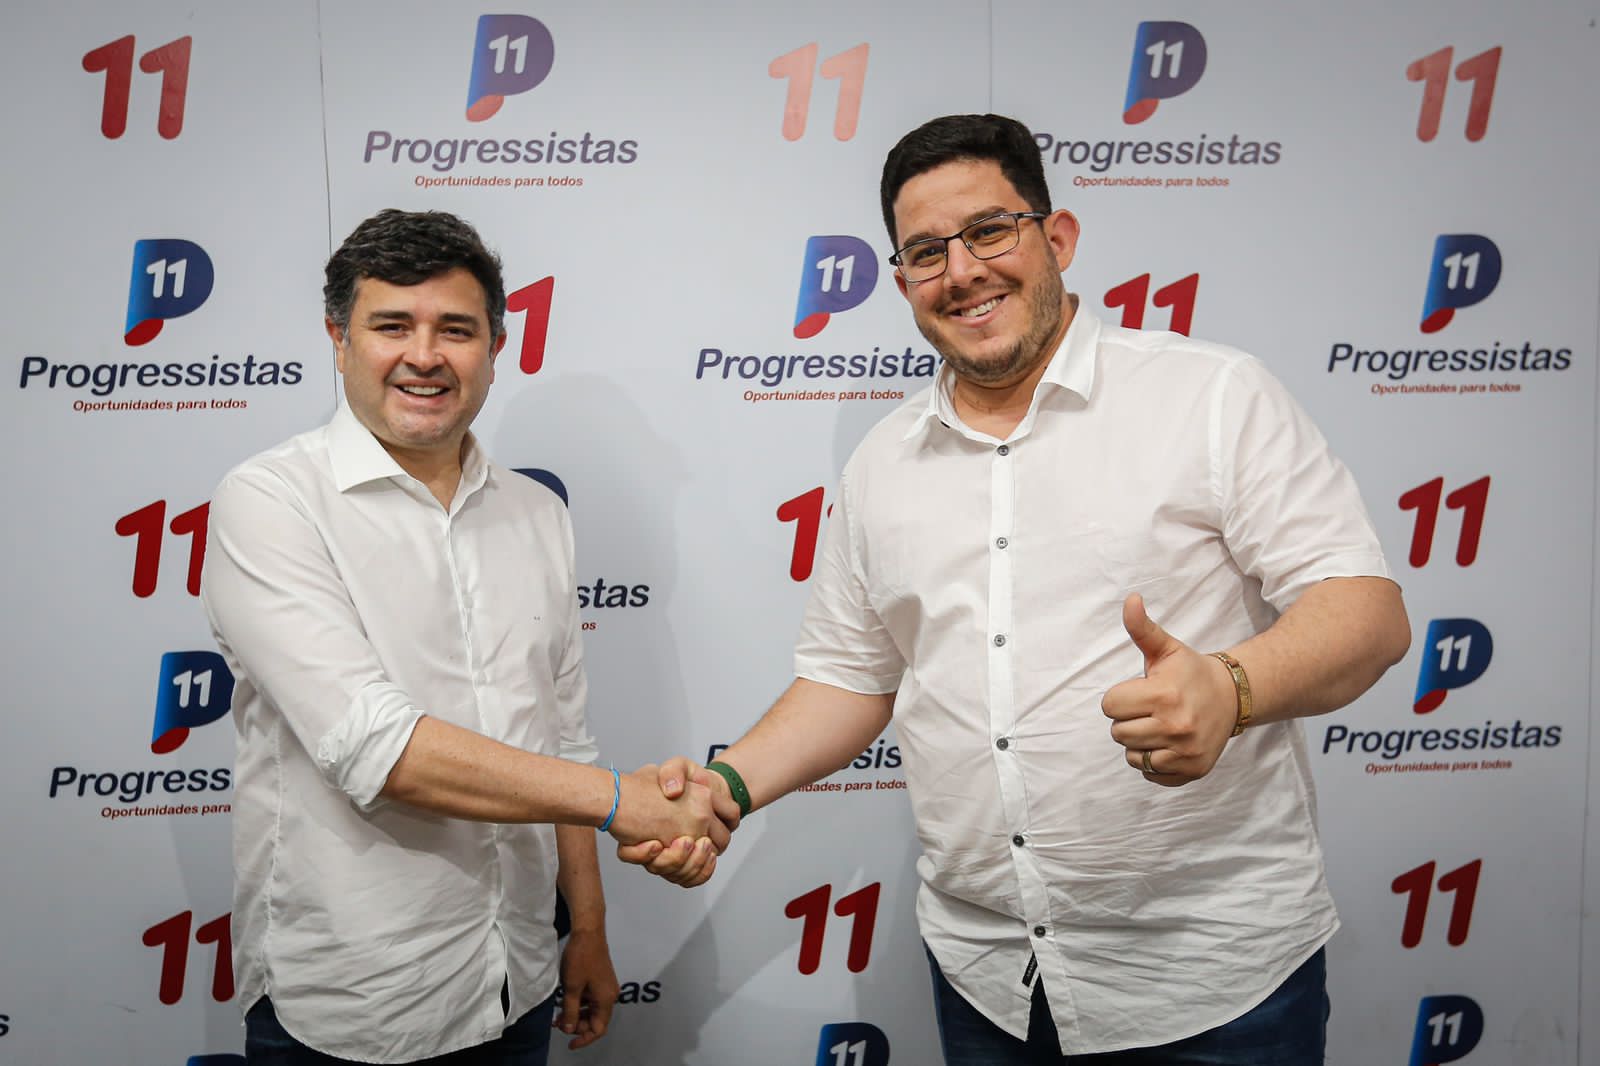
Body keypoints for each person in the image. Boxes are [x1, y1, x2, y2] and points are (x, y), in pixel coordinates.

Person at [622, 115, 1411, 1065]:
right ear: (903, 281)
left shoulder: (1211, 397)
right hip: (990, 981)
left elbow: (1366, 612)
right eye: (926, 252)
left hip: (1213, 984)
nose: (961, 271)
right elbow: (850, 677)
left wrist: (1231, 687)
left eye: (990, 231)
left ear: (1058, 237)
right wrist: (725, 787)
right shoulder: (880, 464)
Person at [201, 209, 735, 1065]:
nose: (424, 356)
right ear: (339, 340)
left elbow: (561, 736)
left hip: (517, 980)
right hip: (356, 999)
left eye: (455, 329)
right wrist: (621, 801)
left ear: (496, 346)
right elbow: (378, 749)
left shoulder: (537, 513)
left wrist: (588, 927)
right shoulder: (270, 502)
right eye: (391, 326)